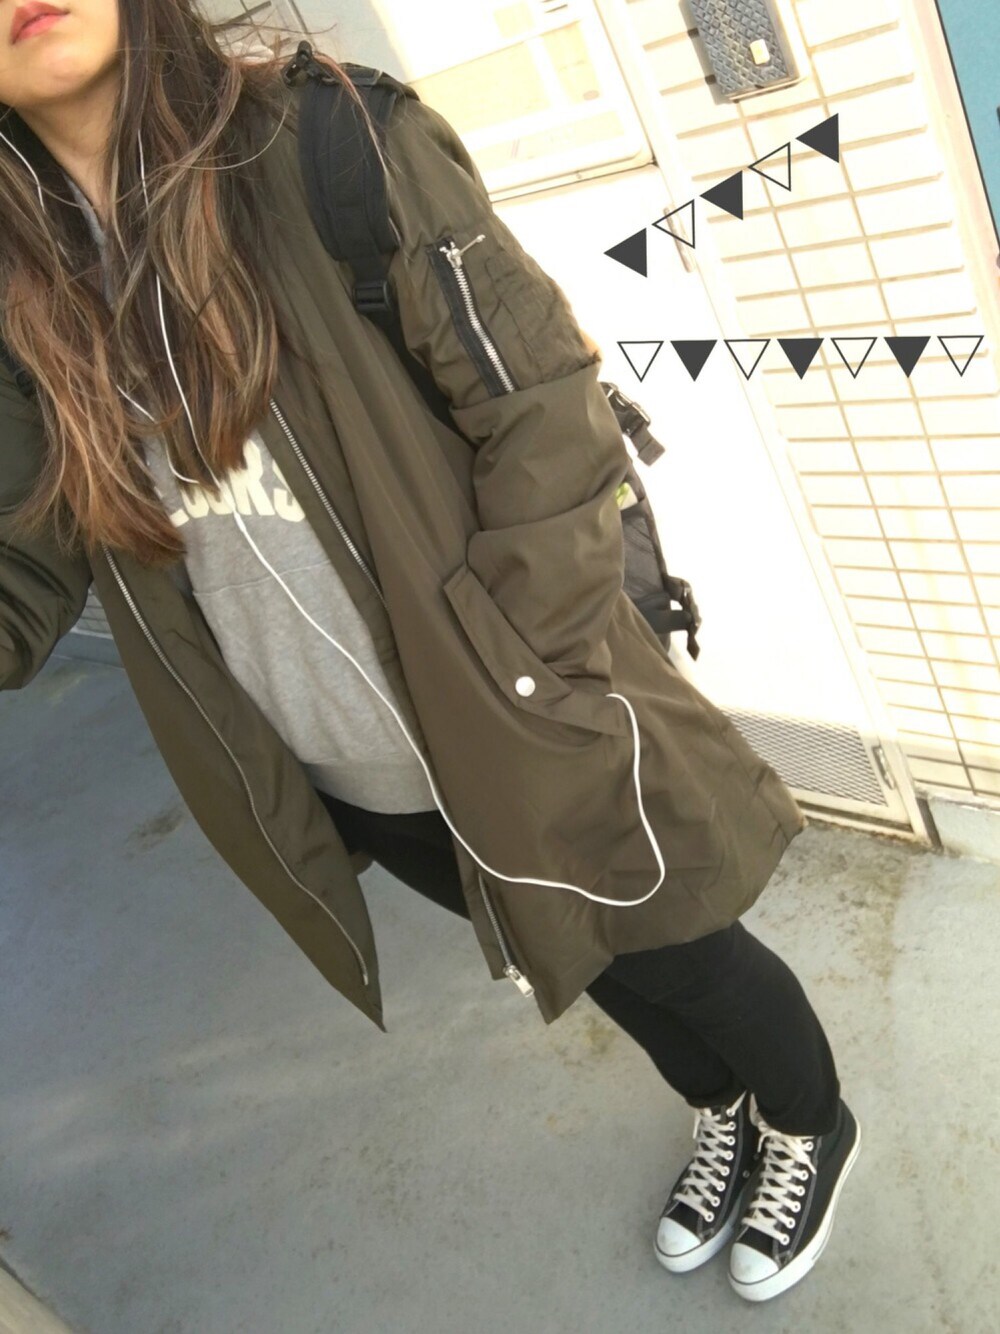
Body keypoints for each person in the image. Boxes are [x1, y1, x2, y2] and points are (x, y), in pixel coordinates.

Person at [0, 0, 860, 1303]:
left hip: (514, 715)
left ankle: (806, 1120)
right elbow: (23, 567)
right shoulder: (23, 301)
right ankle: (721, 1105)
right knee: (585, 954)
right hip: (355, 778)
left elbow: (544, 413)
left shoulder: (328, 143)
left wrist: (530, 676)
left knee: (685, 945)